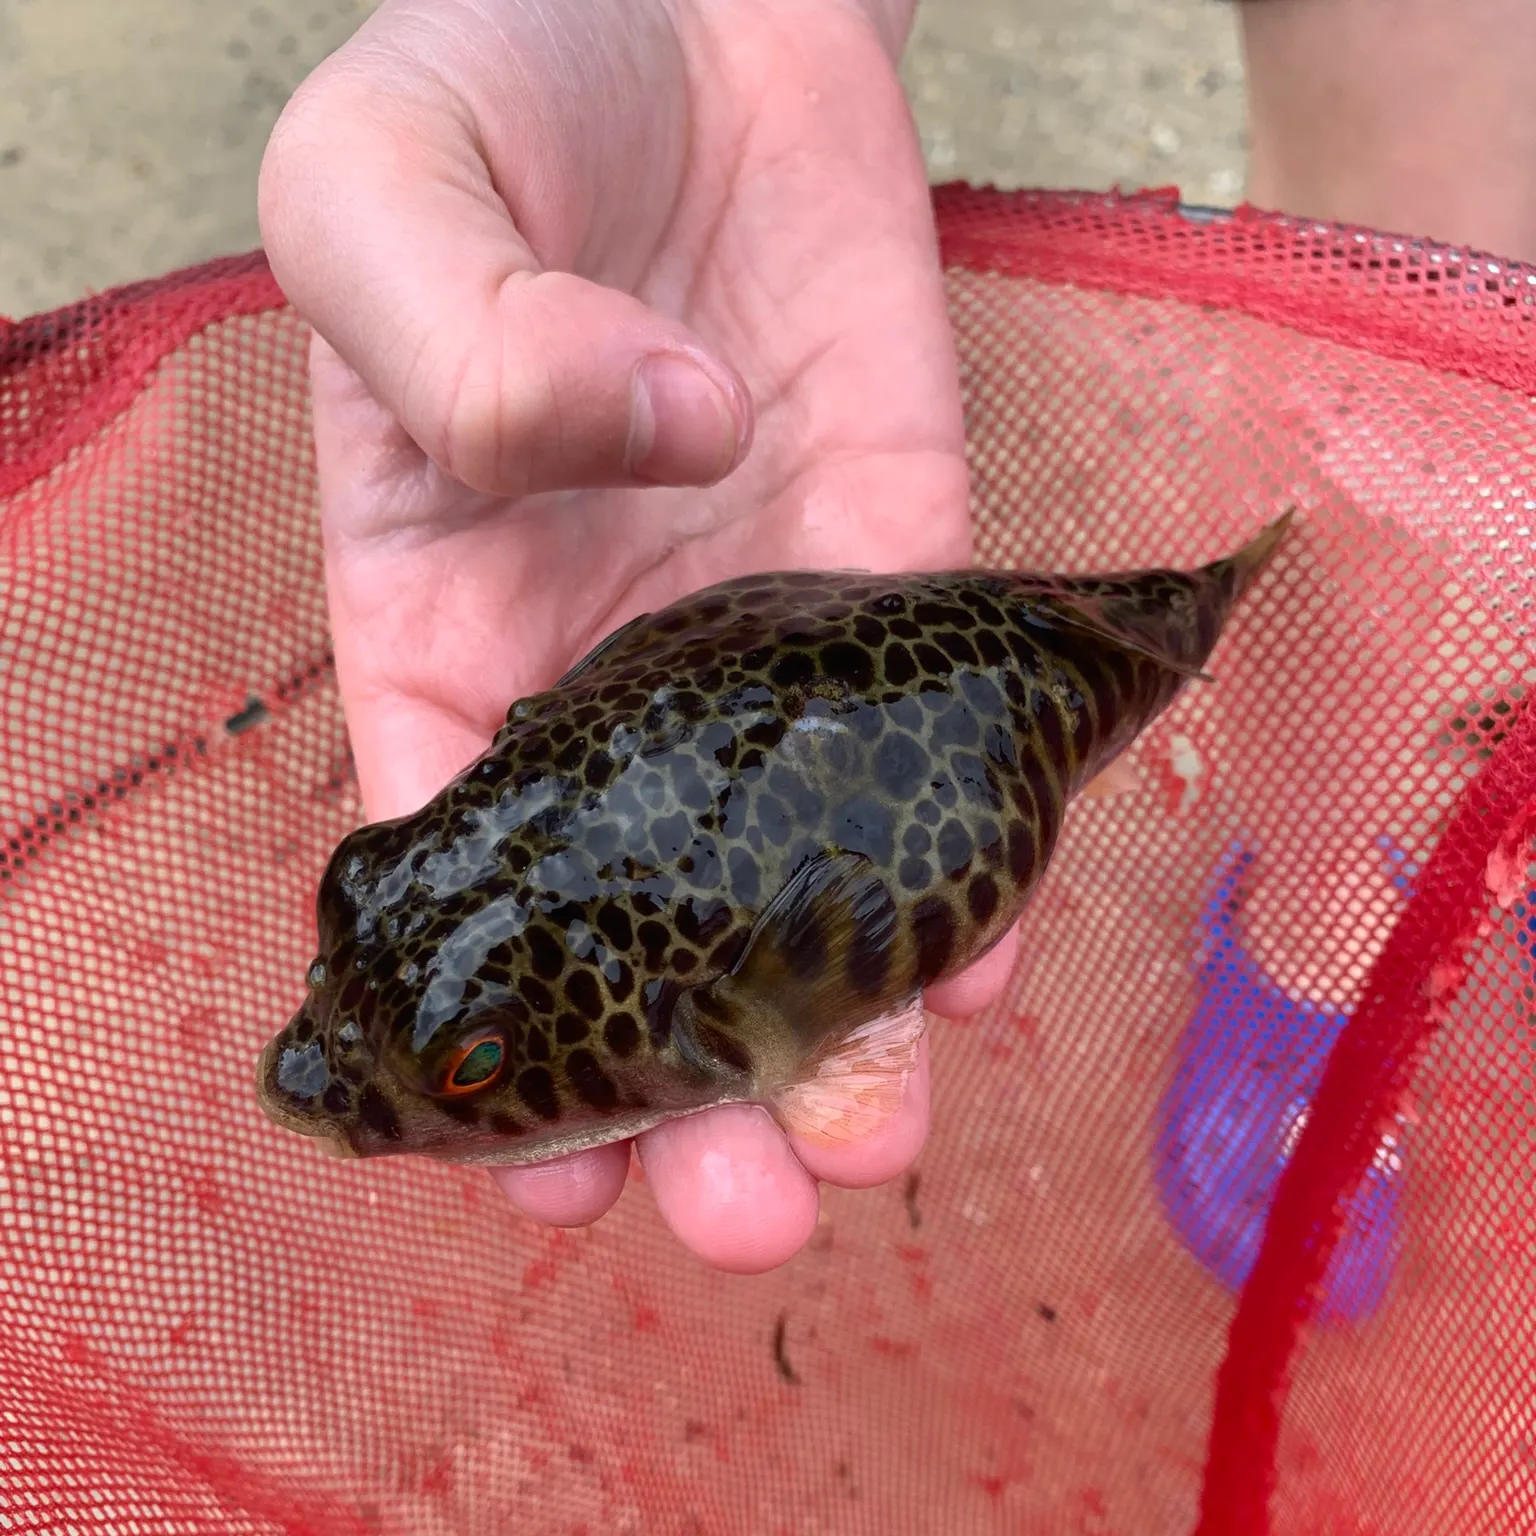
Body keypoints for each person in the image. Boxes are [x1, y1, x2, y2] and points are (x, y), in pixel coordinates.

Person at [256, 0, 1525, 1275]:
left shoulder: (700, 991)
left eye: (475, 1063)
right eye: (465, 1056)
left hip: (921, 686)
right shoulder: (644, 971)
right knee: (1404, 288)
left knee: (1438, 295)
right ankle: (1322, 867)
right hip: (877, 673)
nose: (318, 1068)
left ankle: (1374, 708)